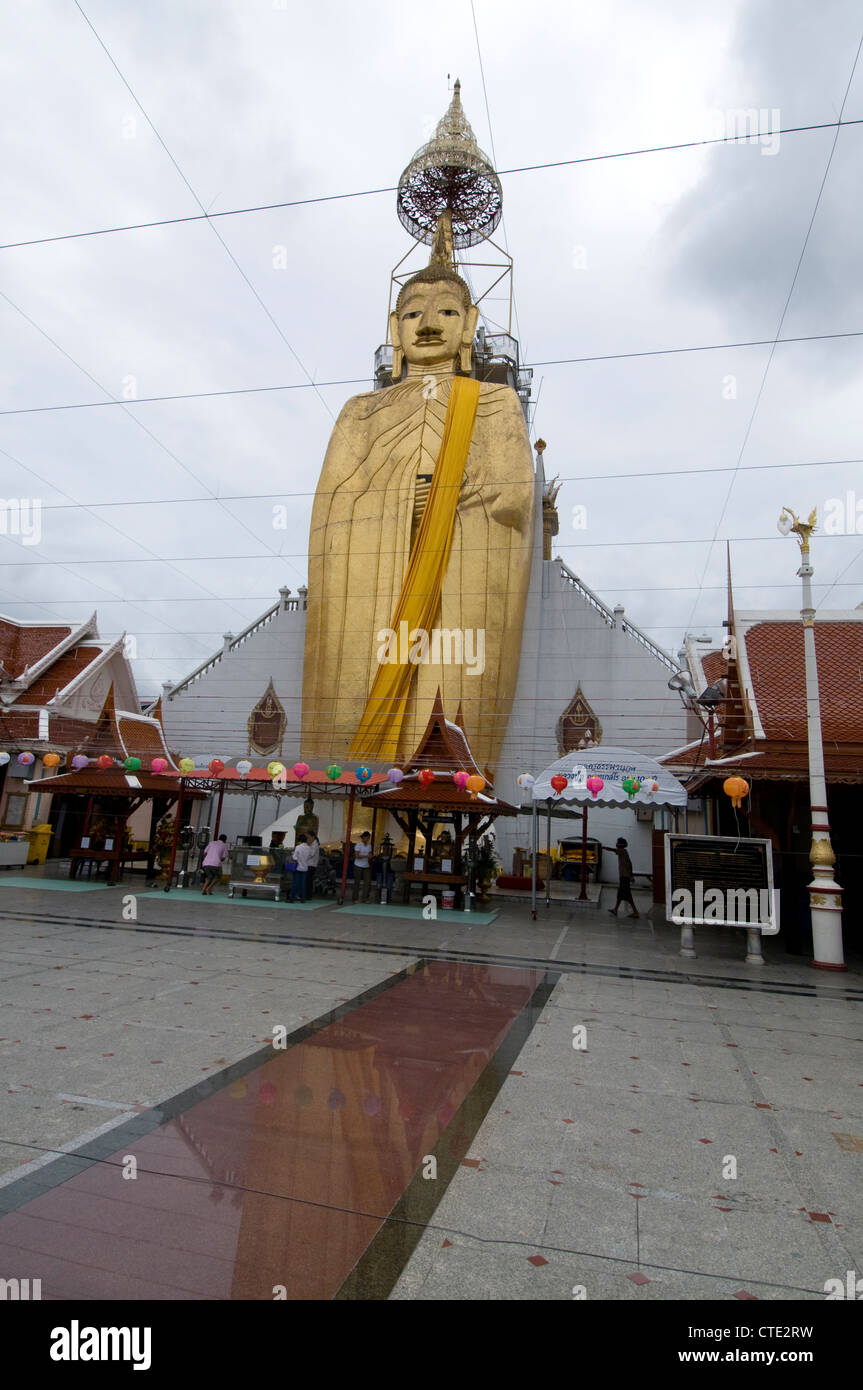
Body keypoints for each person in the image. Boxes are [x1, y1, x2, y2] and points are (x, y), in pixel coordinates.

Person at [605, 838, 640, 920]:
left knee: (627, 895)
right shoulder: (625, 852)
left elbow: (614, 850)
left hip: (624, 877)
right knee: (620, 894)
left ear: (620, 845)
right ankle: (615, 909)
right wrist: (631, 875)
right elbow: (630, 864)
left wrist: (606, 848)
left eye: (617, 843)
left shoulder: (622, 851)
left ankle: (635, 912)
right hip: (624, 876)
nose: (616, 845)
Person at [290, 833, 315, 903]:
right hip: (305, 868)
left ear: (300, 840)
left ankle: (292, 898)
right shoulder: (309, 848)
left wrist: (294, 855)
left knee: (295, 883)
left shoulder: (298, 847)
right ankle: (302, 898)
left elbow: (294, 857)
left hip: (298, 868)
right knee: (303, 884)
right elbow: (310, 856)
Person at [352, 831, 373, 902]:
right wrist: (367, 856)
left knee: (367, 882)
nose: (367, 839)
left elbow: (370, 854)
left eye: (368, 838)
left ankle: (365, 898)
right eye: (366, 838)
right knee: (357, 882)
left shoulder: (369, 846)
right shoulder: (358, 845)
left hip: (366, 865)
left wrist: (370, 856)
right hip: (358, 865)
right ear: (363, 838)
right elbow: (356, 856)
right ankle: (355, 898)